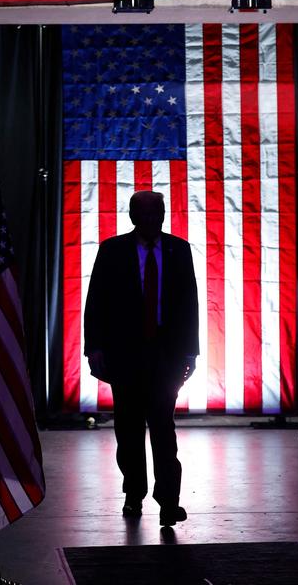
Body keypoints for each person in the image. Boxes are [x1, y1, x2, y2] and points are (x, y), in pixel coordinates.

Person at [84, 190, 199, 526]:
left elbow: (189, 303)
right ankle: (133, 495)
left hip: (166, 356)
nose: (151, 220)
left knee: (164, 430)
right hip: (126, 356)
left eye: (157, 213)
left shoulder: (179, 250)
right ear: (133, 217)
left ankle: (168, 501)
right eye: (144, 214)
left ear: (163, 215)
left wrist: (191, 350)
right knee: (129, 431)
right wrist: (95, 348)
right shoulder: (112, 251)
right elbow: (97, 302)